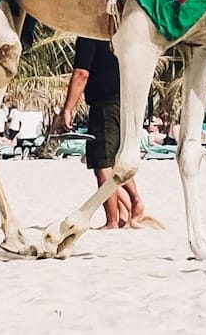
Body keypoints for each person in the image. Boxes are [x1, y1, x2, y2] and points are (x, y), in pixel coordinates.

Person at [59, 37, 148, 229]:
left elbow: (82, 73)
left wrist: (67, 109)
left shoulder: (89, 35)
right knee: (116, 159)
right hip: (125, 99)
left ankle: (113, 220)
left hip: (105, 103)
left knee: (102, 164)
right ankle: (129, 207)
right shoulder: (117, 33)